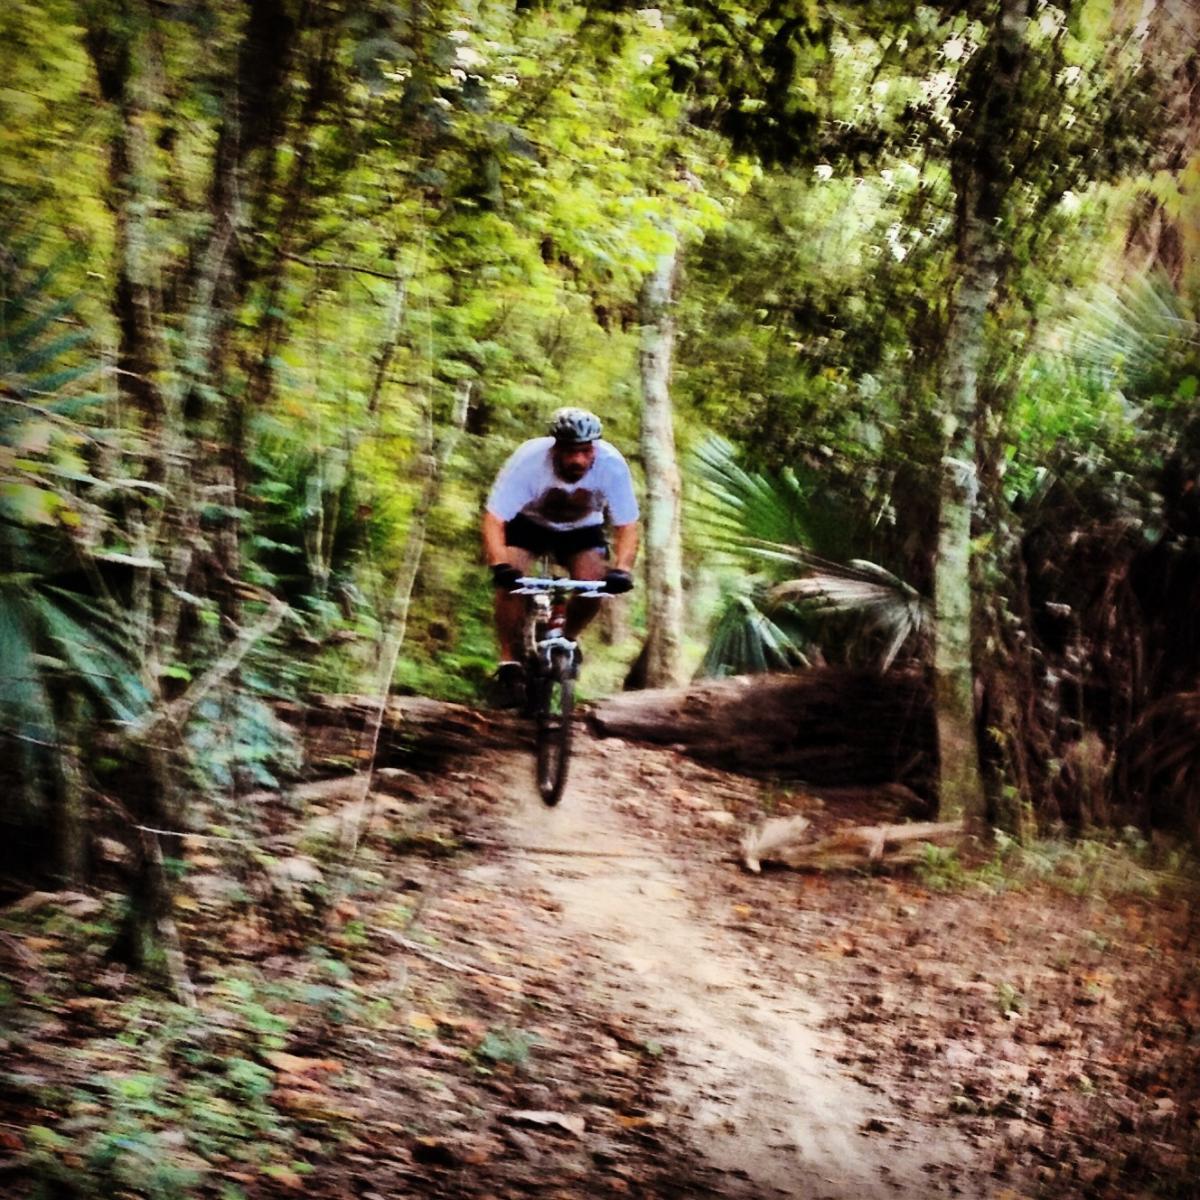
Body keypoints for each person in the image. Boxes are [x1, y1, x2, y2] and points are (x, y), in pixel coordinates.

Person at [482, 407, 639, 705]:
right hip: (529, 524)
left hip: (582, 529)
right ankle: (508, 661)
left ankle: (568, 638)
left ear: (595, 448)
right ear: (555, 448)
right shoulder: (528, 461)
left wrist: (623, 569)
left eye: (585, 451)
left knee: (594, 584)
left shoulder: (612, 465)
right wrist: (499, 564)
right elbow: (494, 519)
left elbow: (627, 525)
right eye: (570, 452)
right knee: (511, 580)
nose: (578, 460)